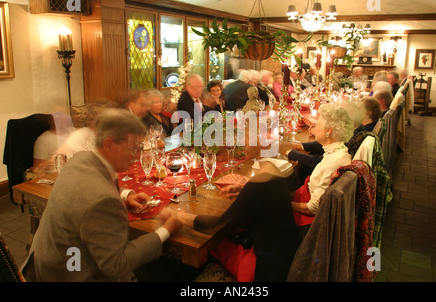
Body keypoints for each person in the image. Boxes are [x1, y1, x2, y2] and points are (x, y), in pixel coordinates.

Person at [21, 108, 182, 282]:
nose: (137, 155)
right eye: (133, 147)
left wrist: (125, 194)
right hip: (72, 273)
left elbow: (91, 188)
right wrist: (165, 231)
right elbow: (117, 264)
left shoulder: (81, 158)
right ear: (108, 144)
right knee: (172, 269)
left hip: (48, 261)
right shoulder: (102, 200)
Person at [175, 161, 301, 282]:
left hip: (266, 269)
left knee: (203, 241)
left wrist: (179, 216)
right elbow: (262, 197)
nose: (244, 144)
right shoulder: (273, 172)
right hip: (289, 254)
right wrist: (245, 192)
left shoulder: (258, 183)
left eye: (246, 139)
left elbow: (216, 224)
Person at [290, 104, 353, 237]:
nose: (313, 128)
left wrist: (285, 205)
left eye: (317, 125)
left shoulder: (333, 163)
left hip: (310, 222)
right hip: (306, 194)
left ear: (328, 131)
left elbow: (312, 208)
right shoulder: (339, 151)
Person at [32, 112, 74, 176]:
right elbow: (37, 170)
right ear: (49, 120)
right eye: (58, 115)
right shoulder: (43, 140)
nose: (63, 118)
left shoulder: (75, 132)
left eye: (64, 114)